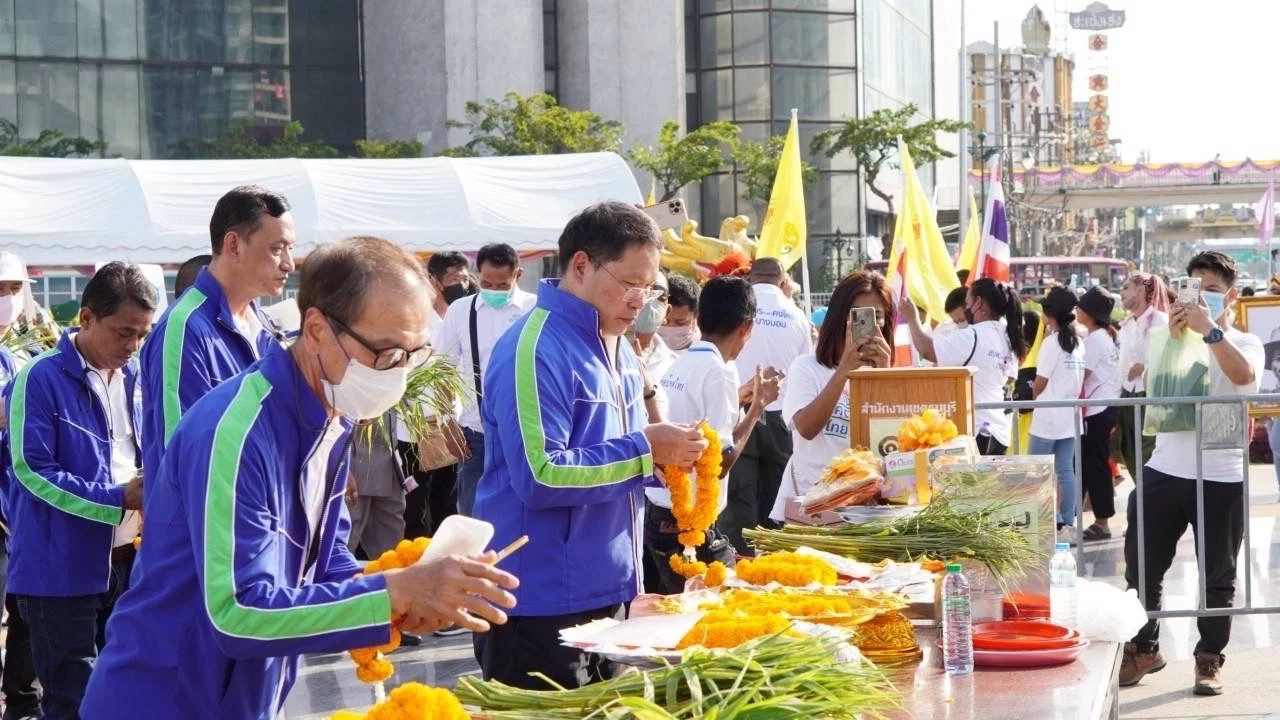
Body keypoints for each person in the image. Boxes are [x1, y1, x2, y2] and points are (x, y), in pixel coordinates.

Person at [82, 237, 519, 719]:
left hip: (249, 696)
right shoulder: (237, 433)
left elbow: (326, 563)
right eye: (387, 353)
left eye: (414, 355)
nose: (398, 374)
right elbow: (238, 615)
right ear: (316, 330)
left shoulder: (333, 415)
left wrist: (402, 595)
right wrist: (395, 591)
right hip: (165, 697)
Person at [472, 201, 708, 690]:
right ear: (581, 265)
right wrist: (646, 451)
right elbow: (542, 474)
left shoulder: (615, 344)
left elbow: (613, 453)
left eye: (650, 287)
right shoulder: (535, 347)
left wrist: (666, 461)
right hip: (538, 603)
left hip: (608, 592)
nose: (640, 300)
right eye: (630, 283)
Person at [5, 263, 154, 719]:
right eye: (123, 333)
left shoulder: (136, 379)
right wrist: (118, 497)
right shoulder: (39, 378)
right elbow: (31, 471)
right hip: (59, 567)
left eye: (142, 335)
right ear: (86, 318)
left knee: (123, 692)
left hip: (128, 559)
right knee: (73, 700)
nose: (132, 346)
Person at [1120, 250, 1262, 696]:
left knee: (1218, 577)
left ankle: (1209, 659)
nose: (1202, 300)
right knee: (1142, 568)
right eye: (1195, 291)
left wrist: (1211, 332)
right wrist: (1175, 339)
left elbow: (1243, 377)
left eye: (1214, 292)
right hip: (1165, 466)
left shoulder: (1244, 340)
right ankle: (1144, 647)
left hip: (1221, 472)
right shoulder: (1165, 333)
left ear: (1232, 296)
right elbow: (1151, 392)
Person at [139, 186, 292, 502]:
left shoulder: (262, 327)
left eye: (289, 248)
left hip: (254, 520)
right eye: (277, 249)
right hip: (205, 536)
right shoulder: (183, 329)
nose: (289, 263)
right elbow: (181, 453)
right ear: (233, 244)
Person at [645, 276, 779, 594]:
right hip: (687, 523)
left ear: (699, 319)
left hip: (662, 512)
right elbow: (720, 462)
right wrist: (758, 407)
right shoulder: (717, 371)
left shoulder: (682, 363)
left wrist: (746, 399)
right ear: (747, 327)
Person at [770, 271, 893, 522]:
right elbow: (805, 428)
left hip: (864, 509)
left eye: (876, 315)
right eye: (857, 314)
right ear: (839, 316)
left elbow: (892, 441)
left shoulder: (886, 371)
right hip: (810, 505)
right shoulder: (807, 367)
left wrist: (886, 375)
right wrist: (843, 372)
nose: (867, 323)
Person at [436, 243, 536, 518]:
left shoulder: (535, 308)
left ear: (518, 275)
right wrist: (446, 421)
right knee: (472, 518)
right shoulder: (460, 311)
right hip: (476, 436)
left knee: (523, 518)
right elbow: (442, 369)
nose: (493, 291)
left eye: (502, 285)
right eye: (486, 283)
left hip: (525, 437)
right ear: (476, 275)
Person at [725, 257, 812, 553]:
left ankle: (738, 559)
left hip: (741, 413)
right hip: (781, 416)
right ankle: (776, 556)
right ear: (783, 281)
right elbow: (804, 368)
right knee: (777, 494)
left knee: (739, 496)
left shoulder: (737, 310)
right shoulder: (797, 315)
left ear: (750, 278)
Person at [902, 278, 1029, 455]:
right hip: (998, 429)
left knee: (972, 483)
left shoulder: (974, 335)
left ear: (978, 302)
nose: (967, 308)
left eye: (968, 302)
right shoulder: (1007, 335)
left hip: (979, 429)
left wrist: (912, 319)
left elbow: (927, 350)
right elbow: (1009, 377)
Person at [402, 252, 474, 538]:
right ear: (434, 282)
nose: (462, 286)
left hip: (453, 425)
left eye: (466, 279)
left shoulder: (464, 317)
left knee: (447, 505)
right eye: (454, 280)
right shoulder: (416, 320)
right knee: (415, 507)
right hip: (414, 428)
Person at [1027, 288, 1085, 533]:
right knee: (1064, 469)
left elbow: (1040, 382)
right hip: (1068, 415)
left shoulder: (1051, 343)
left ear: (1048, 314)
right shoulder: (1078, 342)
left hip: (1048, 416)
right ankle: (1066, 519)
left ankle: (1040, 518)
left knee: (1035, 469)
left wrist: (1031, 398)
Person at [1076, 287, 1121, 542]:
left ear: (1089, 313)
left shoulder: (1095, 340)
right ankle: (1099, 519)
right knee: (1094, 464)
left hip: (1098, 410)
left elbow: (1083, 375)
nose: (1077, 311)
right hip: (1102, 407)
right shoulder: (1101, 335)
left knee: (1096, 466)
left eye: (1080, 307)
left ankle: (1102, 522)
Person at [1116, 273, 1169, 484]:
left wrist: (1145, 368)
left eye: (1126, 287)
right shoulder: (1128, 324)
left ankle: (1150, 501)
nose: (1122, 294)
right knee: (1128, 450)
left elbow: (1169, 360)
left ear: (1141, 290)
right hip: (1128, 397)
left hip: (1150, 397)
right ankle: (1143, 497)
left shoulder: (1161, 321)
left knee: (1149, 453)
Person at [345, 410, 409, 559]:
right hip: (353, 468)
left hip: (388, 465)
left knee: (391, 554)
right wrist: (342, 466)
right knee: (343, 545)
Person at [632, 272, 678, 422]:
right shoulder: (603, 352)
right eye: (646, 292)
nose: (650, 303)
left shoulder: (676, 365)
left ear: (667, 312)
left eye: (659, 298)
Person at [657, 274, 700, 352]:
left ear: (696, 317)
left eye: (681, 323)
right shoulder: (638, 348)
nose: (670, 329)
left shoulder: (707, 354)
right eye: (664, 322)